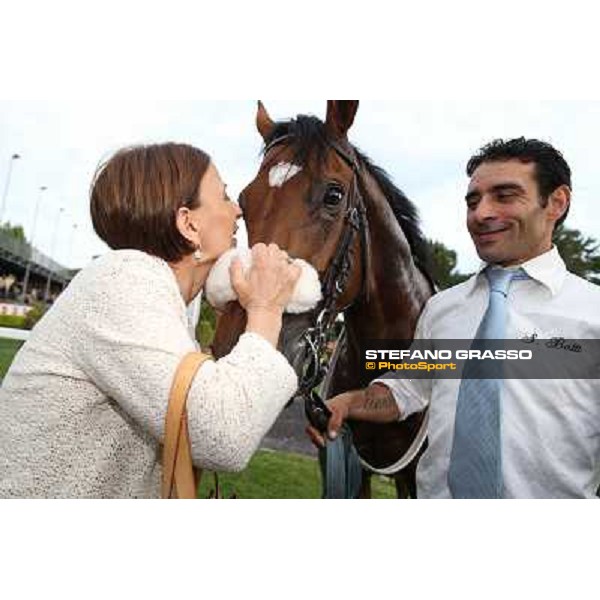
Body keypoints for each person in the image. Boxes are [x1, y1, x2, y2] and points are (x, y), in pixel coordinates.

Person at [0, 142, 301, 498]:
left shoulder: (156, 295)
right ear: (188, 223)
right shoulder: (122, 279)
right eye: (224, 196)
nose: (238, 211)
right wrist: (265, 310)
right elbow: (225, 432)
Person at [308, 137, 600, 499]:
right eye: (473, 201)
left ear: (556, 202)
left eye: (504, 196)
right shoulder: (442, 308)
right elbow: (407, 390)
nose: (481, 214)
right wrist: (349, 402)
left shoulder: (593, 315)